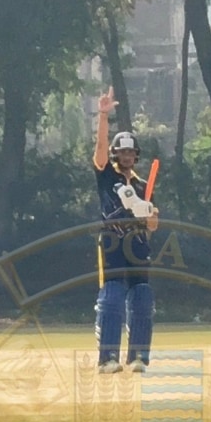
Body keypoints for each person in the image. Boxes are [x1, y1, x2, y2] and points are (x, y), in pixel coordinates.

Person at [91, 86, 159, 373]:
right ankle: (108, 358)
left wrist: (150, 214)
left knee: (142, 298)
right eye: (122, 151)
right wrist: (104, 116)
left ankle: (138, 357)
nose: (127, 156)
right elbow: (100, 150)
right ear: (116, 154)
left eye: (131, 152)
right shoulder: (107, 175)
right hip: (112, 245)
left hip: (138, 246)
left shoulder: (144, 185)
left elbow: (154, 224)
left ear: (137, 155)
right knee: (113, 297)